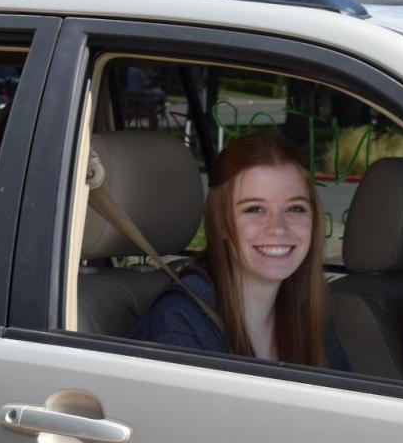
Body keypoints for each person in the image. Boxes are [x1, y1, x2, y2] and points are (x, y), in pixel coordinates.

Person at [128, 133, 347, 369]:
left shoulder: (306, 312)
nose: (277, 228)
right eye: (254, 209)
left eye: (295, 208)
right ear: (221, 222)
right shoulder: (179, 324)